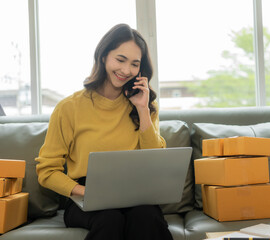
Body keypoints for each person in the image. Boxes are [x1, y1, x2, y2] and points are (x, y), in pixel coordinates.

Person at [35, 23, 173, 240]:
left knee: (146, 217)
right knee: (110, 218)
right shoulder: (69, 108)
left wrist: (143, 110)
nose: (126, 70)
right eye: (120, 59)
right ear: (103, 57)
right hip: (85, 195)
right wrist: (87, 193)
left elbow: (156, 160)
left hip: (135, 194)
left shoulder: (144, 107)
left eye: (134, 64)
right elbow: (47, 171)